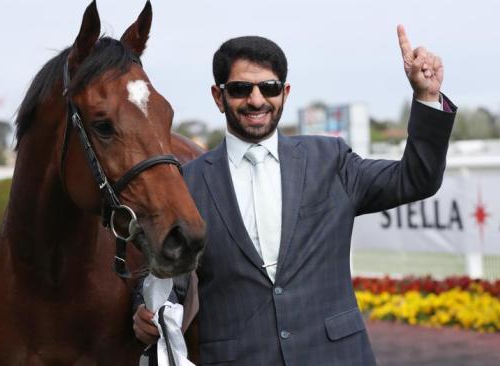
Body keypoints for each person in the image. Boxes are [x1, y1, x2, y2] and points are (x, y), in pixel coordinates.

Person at [134, 25, 456, 365]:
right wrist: (144, 312)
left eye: (268, 87)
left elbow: (416, 178)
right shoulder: (190, 182)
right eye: (242, 88)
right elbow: (168, 279)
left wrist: (426, 99)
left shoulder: (330, 160)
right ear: (219, 96)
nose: (256, 100)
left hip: (335, 355)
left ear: (284, 92)